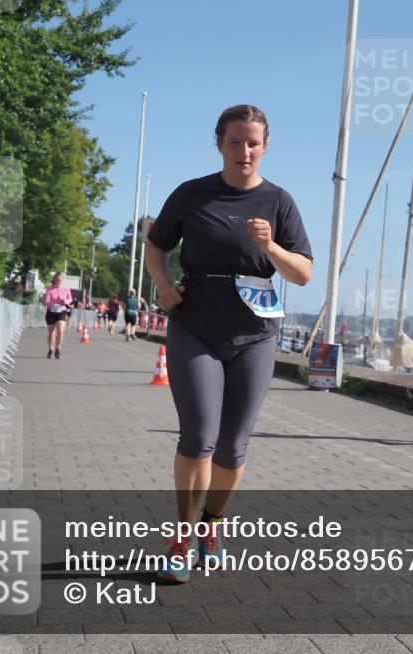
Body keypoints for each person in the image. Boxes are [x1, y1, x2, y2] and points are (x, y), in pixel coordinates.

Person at [144, 104, 312, 583]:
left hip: (255, 335)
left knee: (233, 447)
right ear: (219, 144)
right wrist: (161, 283)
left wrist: (271, 247)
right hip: (195, 324)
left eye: (253, 142)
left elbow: (302, 273)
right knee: (198, 437)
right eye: (235, 142)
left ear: (265, 146)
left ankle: (211, 528)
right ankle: (182, 536)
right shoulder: (194, 194)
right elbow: (156, 244)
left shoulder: (279, 202)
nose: (244, 151)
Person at [42, 273, 73, 359]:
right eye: (57, 280)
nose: (58, 281)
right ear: (54, 280)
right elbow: (46, 302)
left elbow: (70, 298)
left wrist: (65, 301)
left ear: (62, 280)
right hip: (51, 312)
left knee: (60, 331)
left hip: (61, 311)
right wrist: (54, 302)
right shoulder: (50, 289)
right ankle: (50, 349)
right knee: (51, 333)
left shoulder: (66, 289)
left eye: (60, 280)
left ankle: (58, 350)